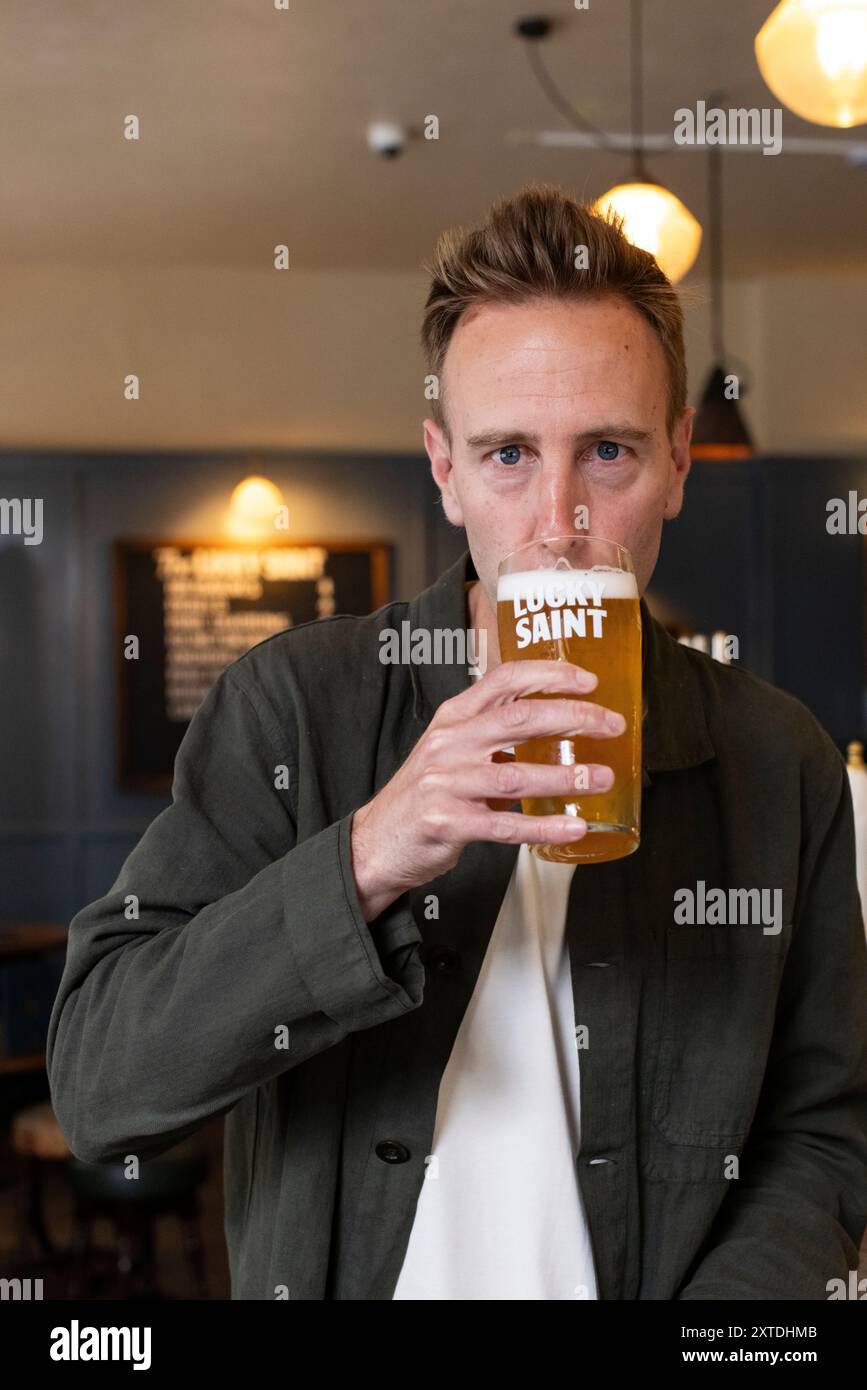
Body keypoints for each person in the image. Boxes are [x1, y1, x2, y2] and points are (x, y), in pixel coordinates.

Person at [47, 185, 867, 1300]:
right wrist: (374, 849)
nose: (559, 522)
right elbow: (103, 1089)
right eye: (509, 455)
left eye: (611, 452)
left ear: (679, 458)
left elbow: (821, 1134)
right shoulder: (293, 704)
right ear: (444, 467)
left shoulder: (781, 758)